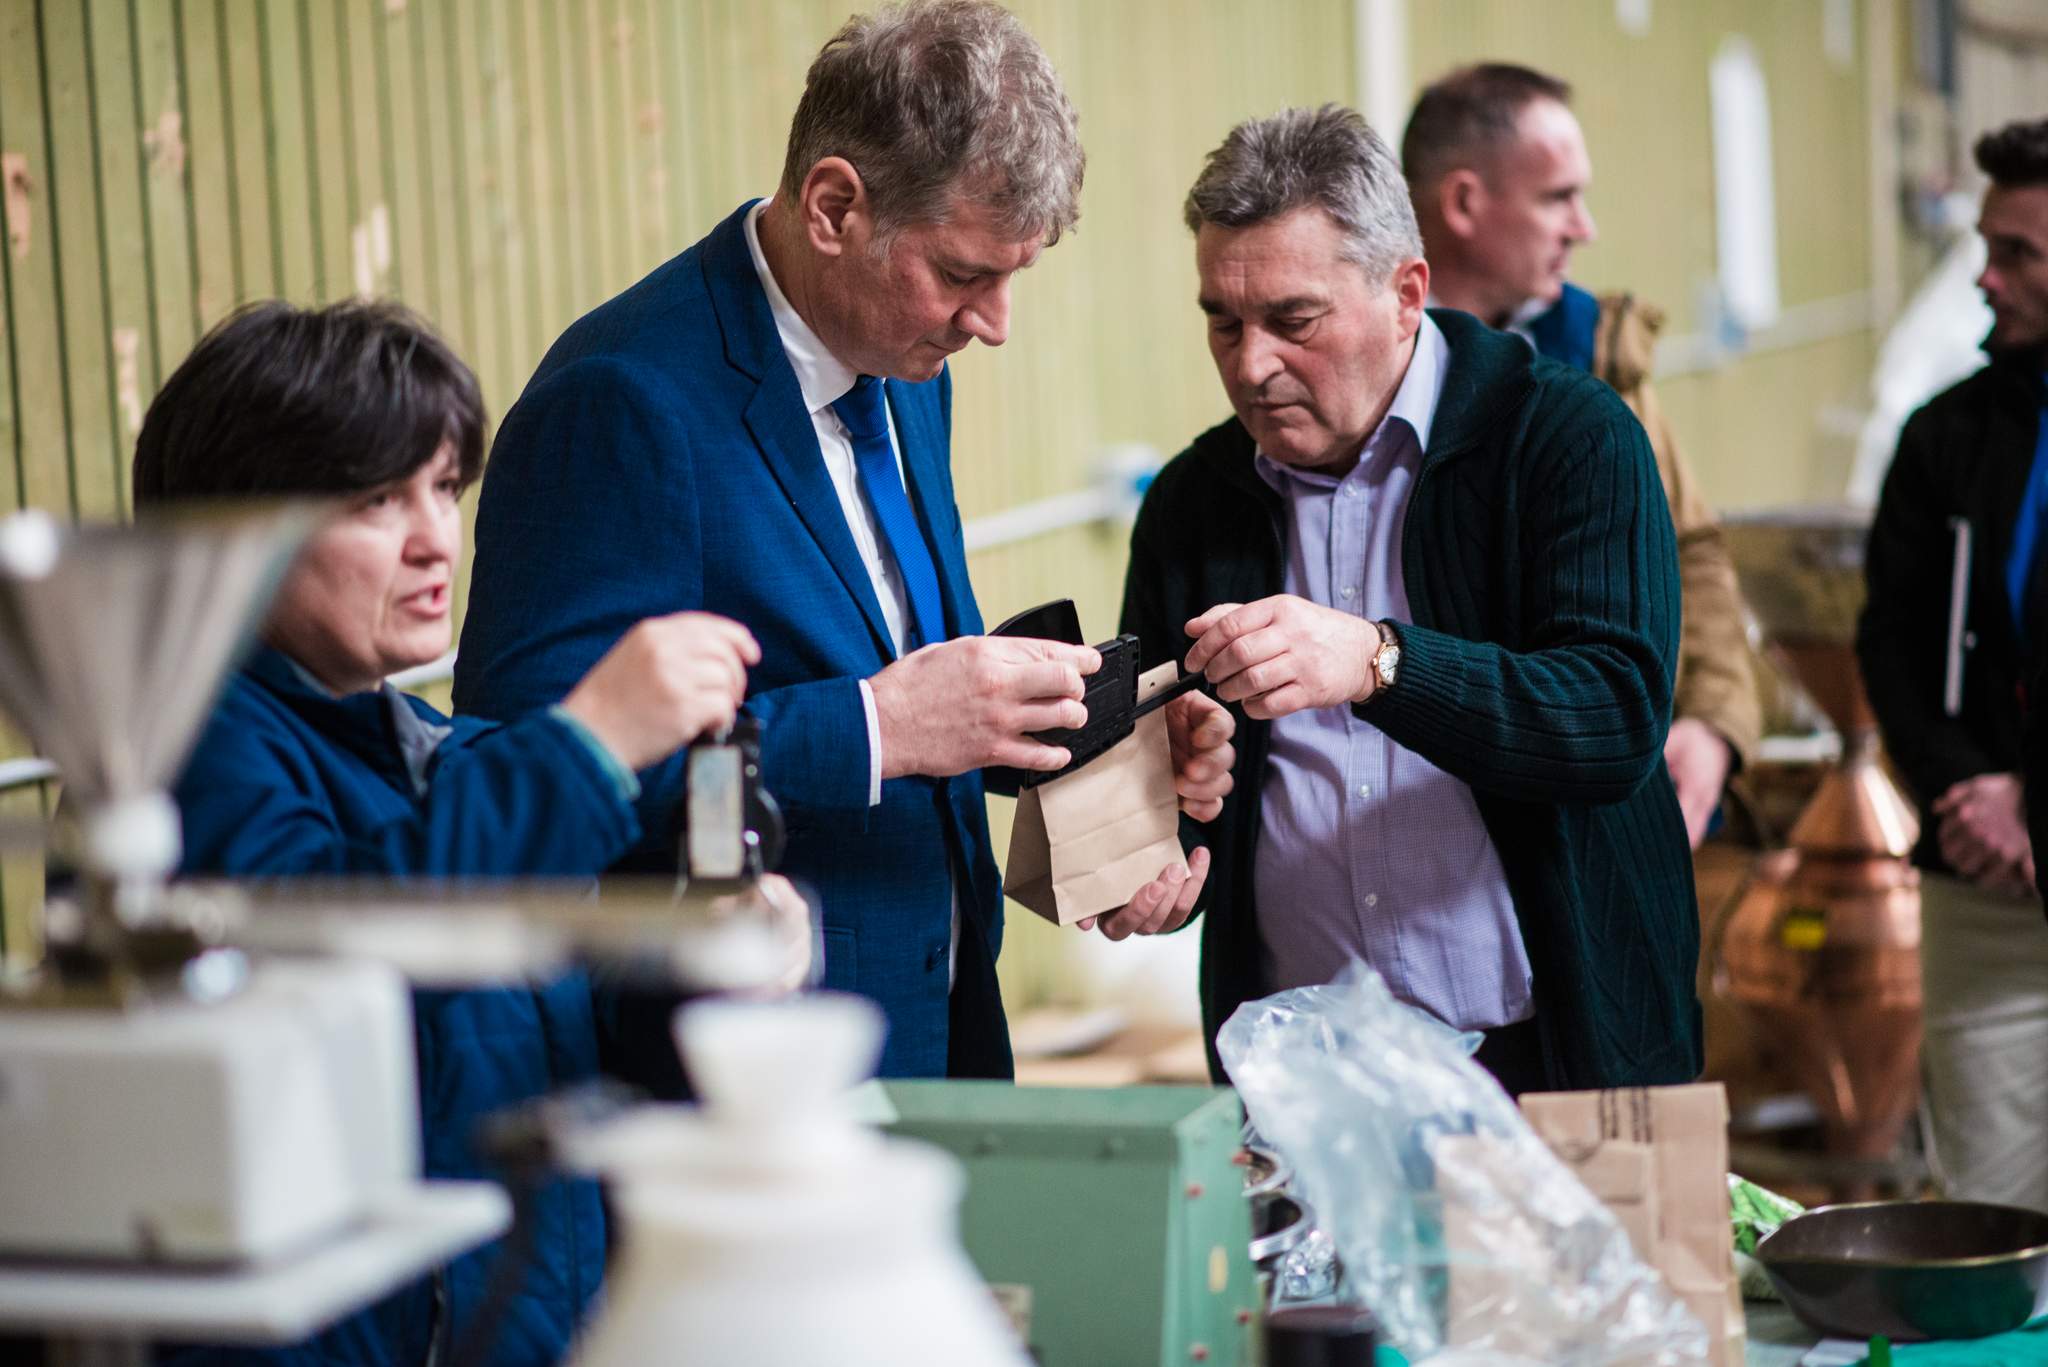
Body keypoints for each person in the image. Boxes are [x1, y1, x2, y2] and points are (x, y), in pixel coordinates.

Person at [454, 0, 1235, 1081]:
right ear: (833, 208)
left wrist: (1113, 758)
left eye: (1014, 276)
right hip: (749, 1076)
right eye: (963, 274)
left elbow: (920, 697)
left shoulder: (903, 364)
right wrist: (873, 727)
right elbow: (520, 776)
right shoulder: (619, 402)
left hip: (947, 1021)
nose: (994, 323)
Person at [138, 299, 776, 1365]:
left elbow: (549, 1043)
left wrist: (700, 967)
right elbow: (322, 959)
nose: (437, 538)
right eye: (375, 499)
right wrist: (589, 740)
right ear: (233, 537)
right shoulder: (177, 757)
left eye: (442, 487)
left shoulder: (434, 750)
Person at [1121, 105, 1699, 1095]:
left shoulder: (1567, 437)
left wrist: (1379, 662)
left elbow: (1614, 718)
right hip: (1303, 1080)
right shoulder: (1193, 500)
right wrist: (1161, 842)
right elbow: (1175, 788)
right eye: (1223, 321)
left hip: (1553, 1060)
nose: (1250, 365)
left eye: (1293, 321)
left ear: (1405, 294)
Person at [1402, 62, 1760, 848]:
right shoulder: (1367, 383)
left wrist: (1713, 722)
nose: (1583, 227)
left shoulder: (1597, 355)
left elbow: (1690, 545)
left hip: (1605, 815)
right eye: (1557, 197)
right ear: (1463, 203)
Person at [1859, 117, 2048, 1212]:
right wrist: (1970, 793)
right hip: (1983, 885)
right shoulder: (1945, 437)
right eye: (1986, 245)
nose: (1985, 276)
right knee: (1991, 1217)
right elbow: (1889, 638)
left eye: (2016, 252)